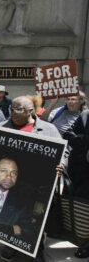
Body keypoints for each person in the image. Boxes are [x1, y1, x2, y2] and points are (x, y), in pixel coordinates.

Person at [0, 96, 65, 262]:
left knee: (36, 221)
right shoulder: (1, 127)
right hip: (11, 186)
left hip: (37, 187)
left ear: (30, 111)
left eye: (18, 109)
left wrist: (62, 164)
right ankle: (11, 245)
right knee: (11, 218)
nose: (13, 113)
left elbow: (64, 152)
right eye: (12, 109)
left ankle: (36, 250)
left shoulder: (48, 129)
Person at [63, 109, 89, 259]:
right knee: (84, 209)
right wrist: (82, 141)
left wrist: (84, 138)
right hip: (82, 172)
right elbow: (68, 133)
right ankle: (85, 244)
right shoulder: (85, 115)